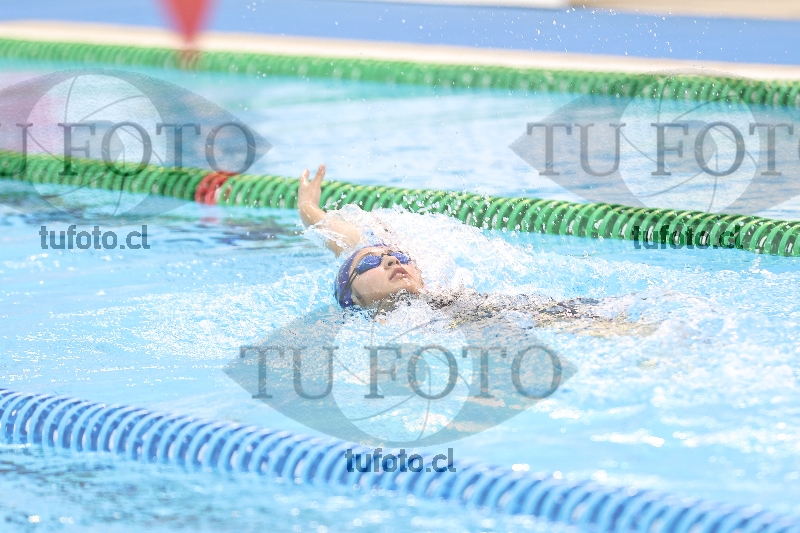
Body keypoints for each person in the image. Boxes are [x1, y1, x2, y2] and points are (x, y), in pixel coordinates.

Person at [298, 164, 654, 337]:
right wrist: (309, 210)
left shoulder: (441, 298)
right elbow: (346, 242)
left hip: (522, 312)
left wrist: (311, 211)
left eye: (398, 255)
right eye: (370, 262)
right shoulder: (375, 334)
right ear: (352, 298)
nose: (391, 258)